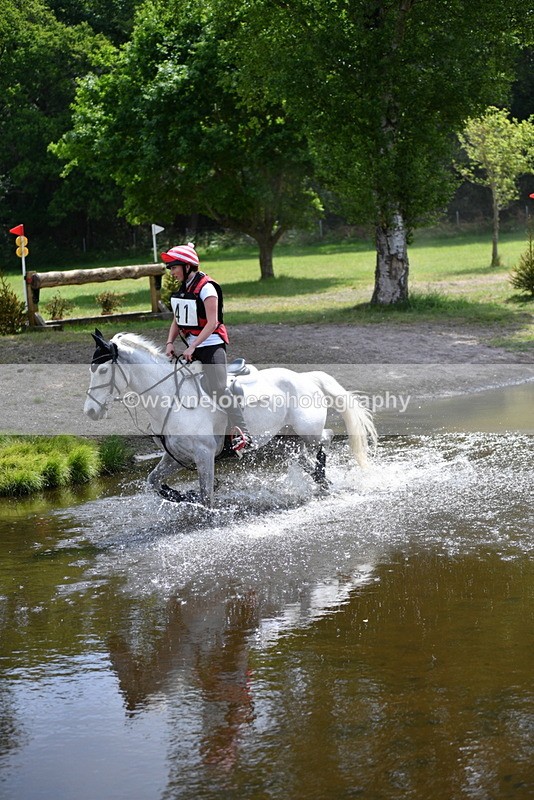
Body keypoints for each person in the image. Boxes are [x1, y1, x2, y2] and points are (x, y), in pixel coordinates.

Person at [162, 242, 254, 456]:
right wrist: (169, 342)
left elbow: (212, 323)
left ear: (186, 266)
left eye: (173, 267)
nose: (171, 272)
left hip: (212, 345)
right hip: (193, 347)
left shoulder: (207, 288)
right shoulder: (184, 288)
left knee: (218, 387)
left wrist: (193, 346)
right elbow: (177, 320)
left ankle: (244, 433)